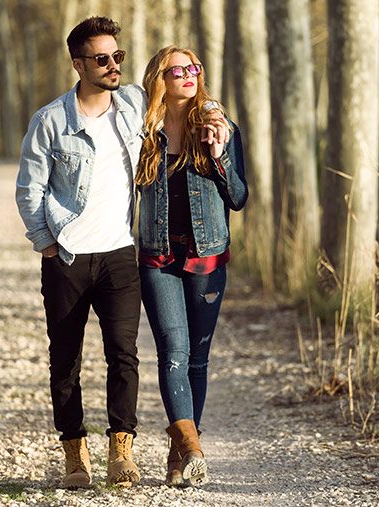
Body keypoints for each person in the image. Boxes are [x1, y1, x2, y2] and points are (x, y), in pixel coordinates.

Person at [15, 17, 146, 489]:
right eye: (102, 59)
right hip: (68, 258)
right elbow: (29, 190)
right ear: (78, 64)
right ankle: (75, 455)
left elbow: (179, 102)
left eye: (118, 56)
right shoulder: (51, 121)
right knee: (65, 360)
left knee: (123, 356)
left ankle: (121, 450)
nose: (113, 66)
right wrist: (46, 245)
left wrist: (212, 114)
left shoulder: (132, 105)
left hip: (119, 255)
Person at [136, 46, 248, 487]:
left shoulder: (220, 127)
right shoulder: (142, 131)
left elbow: (238, 198)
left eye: (194, 67)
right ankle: (193, 448)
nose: (189, 74)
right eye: (178, 69)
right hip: (157, 257)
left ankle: (179, 454)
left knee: (197, 360)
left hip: (207, 259)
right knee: (173, 353)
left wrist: (219, 155)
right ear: (159, 78)